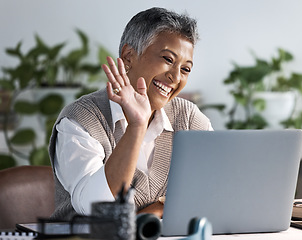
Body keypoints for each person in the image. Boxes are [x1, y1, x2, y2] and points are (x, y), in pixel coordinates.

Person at [48, 7, 213, 221]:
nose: (175, 77)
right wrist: (137, 126)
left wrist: (157, 209)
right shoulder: (81, 119)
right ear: (128, 56)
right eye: (168, 59)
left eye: (185, 69)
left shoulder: (189, 118)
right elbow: (99, 208)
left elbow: (215, 190)